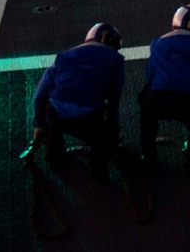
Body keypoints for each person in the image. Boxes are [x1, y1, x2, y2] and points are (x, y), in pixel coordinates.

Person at [32, 23, 125, 182]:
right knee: (105, 140)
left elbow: (39, 95)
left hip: (56, 115)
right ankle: (97, 166)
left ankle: (53, 151)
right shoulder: (115, 61)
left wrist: (39, 124)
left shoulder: (64, 56)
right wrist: (113, 132)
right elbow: (113, 103)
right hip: (88, 119)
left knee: (53, 103)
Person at [139, 4, 190, 173]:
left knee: (147, 112)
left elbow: (149, 76)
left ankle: (148, 153)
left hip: (158, 98)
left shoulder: (157, 44)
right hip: (188, 100)